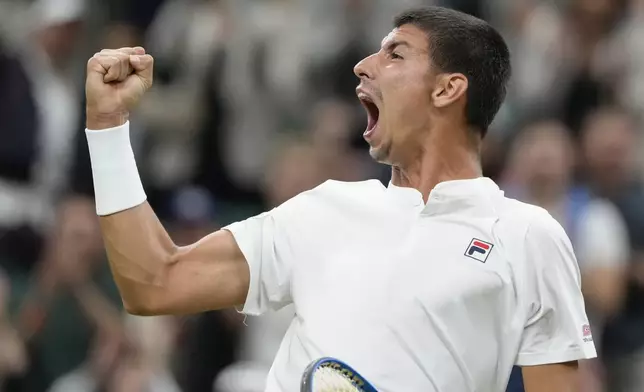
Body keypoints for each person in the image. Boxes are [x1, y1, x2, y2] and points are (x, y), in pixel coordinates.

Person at [83, 6, 596, 392]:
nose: (362, 65)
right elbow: (154, 283)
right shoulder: (321, 209)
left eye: (395, 54)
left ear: (447, 90)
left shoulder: (528, 236)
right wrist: (107, 127)